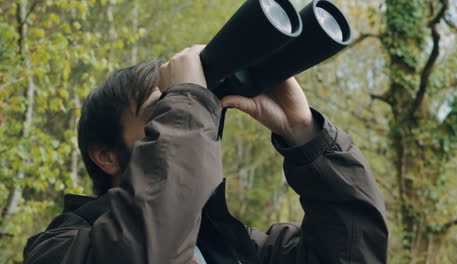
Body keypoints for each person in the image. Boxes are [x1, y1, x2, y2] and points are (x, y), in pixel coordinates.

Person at [23, 45, 388, 264]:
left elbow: (353, 252)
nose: (185, 117)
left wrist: (305, 134)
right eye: (162, 109)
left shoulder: (233, 245)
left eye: (183, 108)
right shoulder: (60, 250)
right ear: (106, 155)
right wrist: (188, 98)